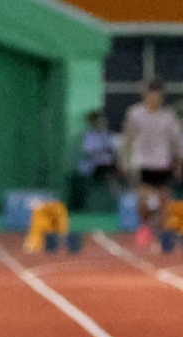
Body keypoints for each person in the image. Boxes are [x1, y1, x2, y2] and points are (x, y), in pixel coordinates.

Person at [121, 79, 183, 248]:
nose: (154, 99)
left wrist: (178, 164)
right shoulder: (135, 113)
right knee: (144, 201)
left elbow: (176, 143)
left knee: (164, 202)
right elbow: (128, 137)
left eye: (157, 96)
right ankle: (145, 227)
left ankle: (163, 234)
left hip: (163, 164)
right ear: (146, 95)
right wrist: (124, 160)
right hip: (143, 163)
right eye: (151, 95)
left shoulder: (168, 117)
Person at [70, 110, 120, 210]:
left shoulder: (107, 135)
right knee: (109, 173)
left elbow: (113, 150)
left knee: (116, 170)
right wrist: (103, 150)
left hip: (109, 165)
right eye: (100, 121)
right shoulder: (89, 136)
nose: (103, 123)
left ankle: (122, 201)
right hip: (93, 168)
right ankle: (117, 199)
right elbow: (89, 151)